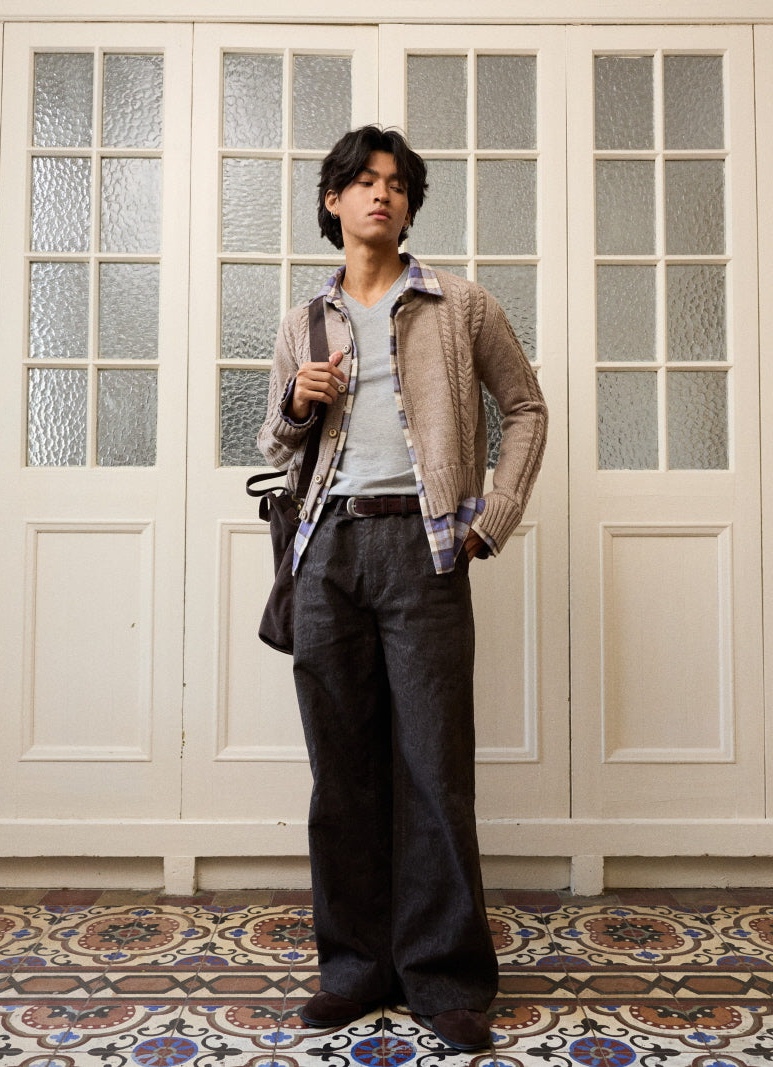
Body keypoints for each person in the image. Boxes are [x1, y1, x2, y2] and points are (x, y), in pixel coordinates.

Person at [257, 125, 547, 1052]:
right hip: (326, 552)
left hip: (425, 550)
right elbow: (272, 444)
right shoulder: (304, 320)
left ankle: (445, 976)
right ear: (333, 201)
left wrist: (492, 514)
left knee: (434, 768)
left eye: (396, 183)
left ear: (409, 205)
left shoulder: (459, 305)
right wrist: (298, 403)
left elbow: (526, 408)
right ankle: (353, 968)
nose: (381, 193)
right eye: (363, 181)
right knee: (341, 772)